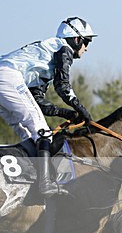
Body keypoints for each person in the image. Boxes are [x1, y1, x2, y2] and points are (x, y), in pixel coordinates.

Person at [0, 17, 97, 196]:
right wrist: (82, 111)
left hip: (5, 78)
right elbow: (63, 87)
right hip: (7, 76)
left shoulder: (45, 58)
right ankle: (44, 184)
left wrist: (66, 113)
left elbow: (38, 101)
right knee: (43, 132)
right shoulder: (64, 49)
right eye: (87, 42)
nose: (87, 48)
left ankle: (27, 181)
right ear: (77, 39)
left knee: (30, 135)